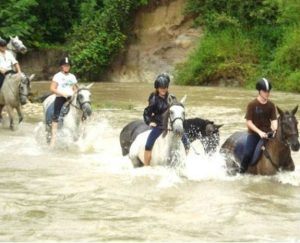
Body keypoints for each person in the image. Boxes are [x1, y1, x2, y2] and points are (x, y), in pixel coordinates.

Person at [143, 73, 190, 166]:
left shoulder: (172, 98)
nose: (163, 90)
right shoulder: (153, 98)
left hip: (171, 124)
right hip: (159, 125)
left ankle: (186, 161)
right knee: (149, 143)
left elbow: (177, 110)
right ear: (157, 88)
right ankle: (146, 164)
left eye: (165, 87)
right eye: (161, 88)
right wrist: (150, 122)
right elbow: (146, 113)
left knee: (186, 142)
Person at [240, 78, 277, 173]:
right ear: (259, 91)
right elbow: (249, 122)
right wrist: (259, 132)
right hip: (254, 135)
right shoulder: (252, 105)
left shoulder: (271, 105)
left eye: (268, 91)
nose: (267, 93)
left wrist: (275, 130)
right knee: (248, 154)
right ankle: (241, 173)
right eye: (265, 91)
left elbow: (273, 120)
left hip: (268, 134)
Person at [49, 57, 77, 147]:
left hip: (71, 98)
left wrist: (75, 93)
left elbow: (75, 88)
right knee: (56, 115)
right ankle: (53, 139)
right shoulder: (57, 76)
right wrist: (63, 94)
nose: (66, 67)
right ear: (62, 66)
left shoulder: (72, 76)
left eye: (68, 66)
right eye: (65, 66)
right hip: (61, 97)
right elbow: (52, 88)